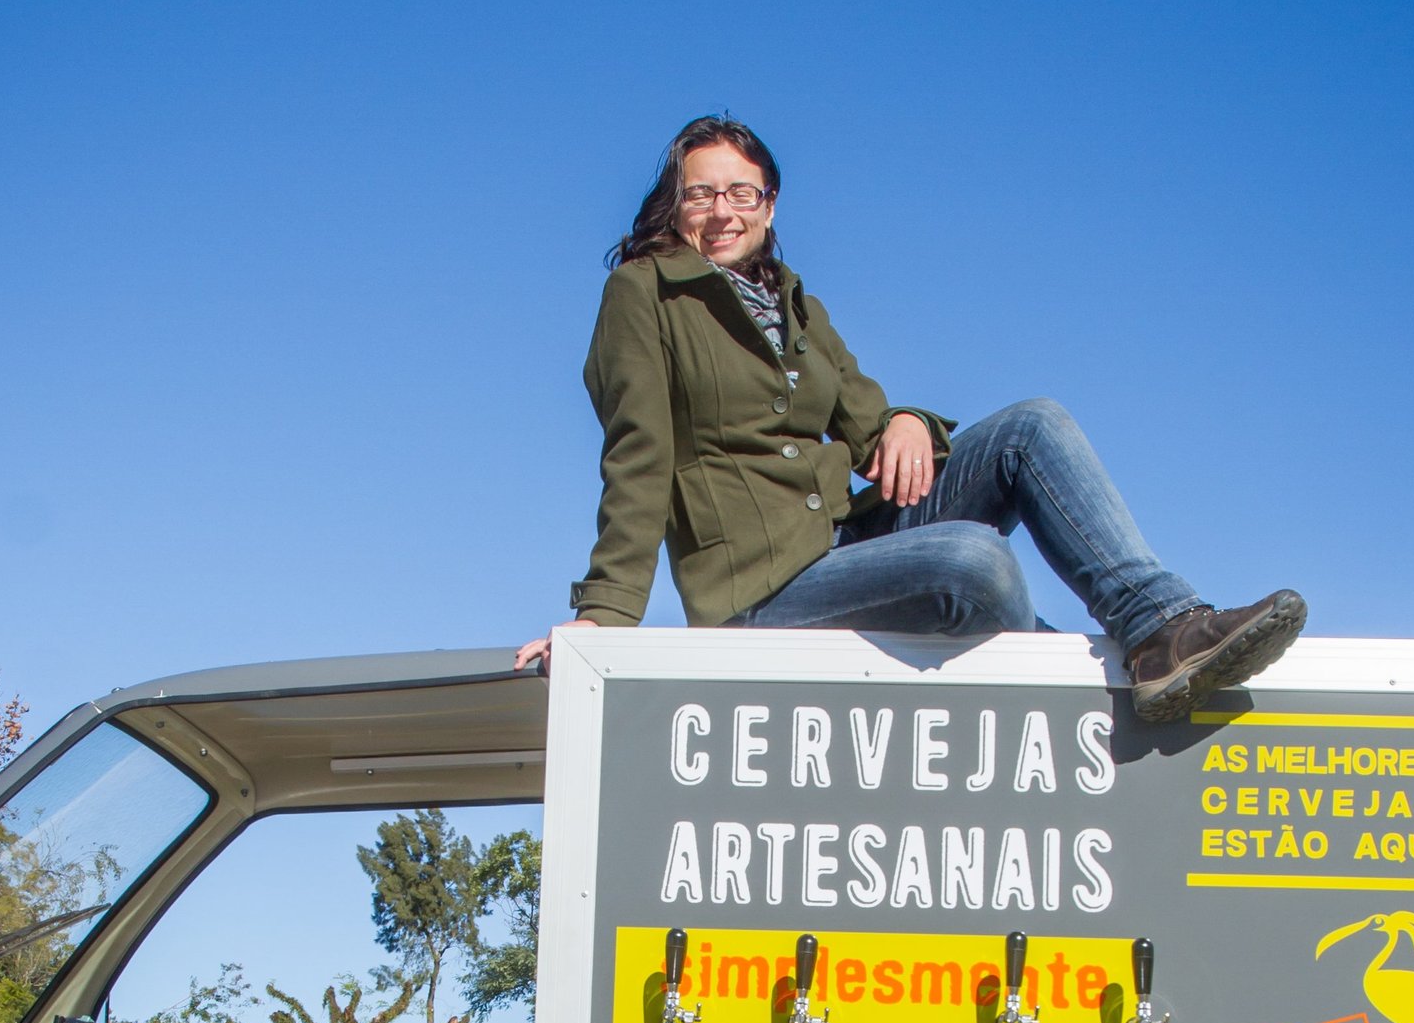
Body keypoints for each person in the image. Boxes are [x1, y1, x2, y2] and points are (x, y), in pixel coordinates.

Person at [516, 116, 1305, 723]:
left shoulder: (793, 300)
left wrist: (905, 424)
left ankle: (1161, 627)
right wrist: (600, 619)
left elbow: (866, 417)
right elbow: (638, 456)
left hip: (846, 541)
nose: (721, 211)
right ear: (675, 203)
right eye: (701, 193)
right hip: (758, 588)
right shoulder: (645, 294)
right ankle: (1071, 680)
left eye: (739, 192)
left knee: (1031, 424)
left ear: (768, 201)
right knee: (974, 559)